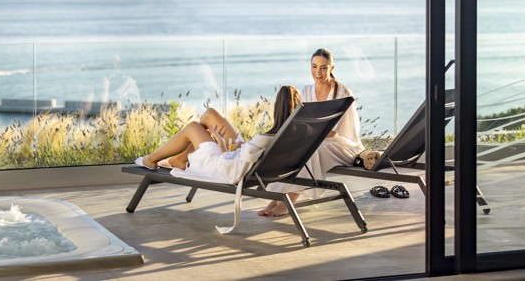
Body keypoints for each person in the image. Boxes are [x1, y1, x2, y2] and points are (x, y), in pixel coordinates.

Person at [134, 85, 302, 232]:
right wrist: (241, 147)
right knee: (209, 115)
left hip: (226, 166)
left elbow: (231, 167)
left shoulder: (265, 138)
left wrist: (222, 145)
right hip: (244, 158)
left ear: (276, 108)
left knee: (194, 127)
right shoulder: (294, 136)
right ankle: (181, 159)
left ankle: (152, 158)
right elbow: (253, 155)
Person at [259, 48, 364, 217]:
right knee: (296, 149)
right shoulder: (307, 91)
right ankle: (278, 197)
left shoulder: (343, 93)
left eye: (323, 67)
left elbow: (344, 133)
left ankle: (289, 199)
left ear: (332, 68)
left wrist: (312, 135)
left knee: (313, 150)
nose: (318, 72)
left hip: (344, 146)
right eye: (314, 66)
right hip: (316, 141)